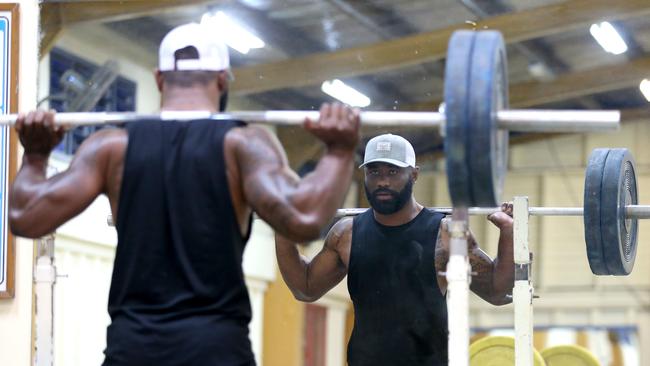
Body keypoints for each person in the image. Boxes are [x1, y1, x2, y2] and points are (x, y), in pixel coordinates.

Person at [9, 23, 360, 366]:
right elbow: (305, 220)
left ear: (159, 78)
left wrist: (36, 156)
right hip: (216, 350)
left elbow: (26, 217)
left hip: (134, 350)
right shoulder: (243, 145)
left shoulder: (111, 148)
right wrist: (340, 152)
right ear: (222, 79)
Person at [275, 133, 515, 366]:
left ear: (414, 174)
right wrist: (282, 227)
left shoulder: (446, 234)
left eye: (393, 171)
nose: (382, 181)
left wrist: (507, 232)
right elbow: (305, 288)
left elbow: (496, 291)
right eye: (374, 172)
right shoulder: (346, 234)